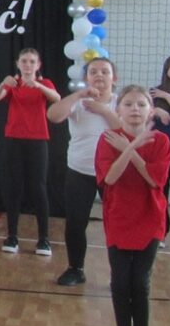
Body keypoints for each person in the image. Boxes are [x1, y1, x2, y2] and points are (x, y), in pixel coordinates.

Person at [96, 86, 170, 326]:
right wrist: (128, 146)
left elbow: (155, 180)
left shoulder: (162, 141)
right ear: (119, 110)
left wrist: (131, 148)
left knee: (140, 281)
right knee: (120, 280)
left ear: (150, 111)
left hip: (150, 218)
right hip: (118, 217)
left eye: (141, 104)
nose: (135, 109)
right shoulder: (108, 139)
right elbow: (110, 178)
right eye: (128, 104)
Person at [47, 58, 119, 285]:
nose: (99, 75)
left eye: (105, 71)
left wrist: (103, 110)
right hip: (79, 171)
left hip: (113, 174)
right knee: (76, 223)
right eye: (93, 72)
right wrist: (78, 95)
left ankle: (119, 275)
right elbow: (53, 115)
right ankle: (76, 269)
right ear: (86, 78)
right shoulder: (77, 102)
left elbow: (124, 130)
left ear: (114, 78)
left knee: (117, 225)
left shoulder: (120, 102)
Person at [0, 48, 60, 255]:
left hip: (38, 140)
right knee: (14, 188)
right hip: (14, 140)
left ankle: (43, 239)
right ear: (18, 64)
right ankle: (12, 236)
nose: (28, 65)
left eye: (31, 61)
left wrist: (38, 85)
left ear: (38, 65)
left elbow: (56, 98)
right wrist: (3, 83)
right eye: (24, 61)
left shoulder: (45, 83)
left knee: (38, 188)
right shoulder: (13, 83)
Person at [148, 55, 170, 242]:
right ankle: (161, 231)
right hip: (162, 147)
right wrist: (156, 110)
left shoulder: (163, 94)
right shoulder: (155, 91)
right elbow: (143, 113)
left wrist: (167, 98)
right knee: (161, 187)